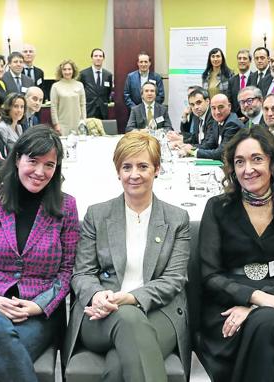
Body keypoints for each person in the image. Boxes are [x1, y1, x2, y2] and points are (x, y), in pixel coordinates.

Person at [65, 131, 191, 380]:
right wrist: (98, 295)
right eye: (127, 167)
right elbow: (82, 273)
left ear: (157, 169)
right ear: (118, 171)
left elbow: (174, 279)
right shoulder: (97, 215)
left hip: (159, 311)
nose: (134, 174)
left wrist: (130, 298)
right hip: (99, 313)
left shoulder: (176, 219)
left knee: (119, 363)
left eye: (143, 166)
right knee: (128, 321)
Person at [0, 126, 79, 381]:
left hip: (37, 313)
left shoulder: (66, 206)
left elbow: (68, 270)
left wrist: (37, 306)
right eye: (33, 161)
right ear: (16, 159)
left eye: (49, 165)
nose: (40, 172)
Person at [199, 126, 274, 382]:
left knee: (267, 322)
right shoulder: (218, 208)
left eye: (257, 159)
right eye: (240, 162)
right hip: (227, 307)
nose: (247, 169)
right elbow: (210, 276)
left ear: (272, 162)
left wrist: (254, 306)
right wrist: (255, 298)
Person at [178, 93, 243, 160]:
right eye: (213, 108)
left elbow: (221, 153)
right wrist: (190, 148)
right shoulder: (216, 121)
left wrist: (193, 152)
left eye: (220, 107)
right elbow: (209, 145)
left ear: (229, 106)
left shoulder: (232, 124)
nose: (217, 112)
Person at [50, 59, 86, 136]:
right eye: (64, 69)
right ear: (61, 71)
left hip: (78, 124)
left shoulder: (79, 85)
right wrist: (56, 124)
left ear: (73, 70)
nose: (67, 72)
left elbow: (83, 105)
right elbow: (53, 107)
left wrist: (83, 121)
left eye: (69, 69)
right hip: (62, 125)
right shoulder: (55, 86)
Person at [79, 48, 113, 119]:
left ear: (103, 58)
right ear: (92, 58)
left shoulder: (108, 75)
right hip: (89, 110)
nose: (98, 58)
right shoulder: (83, 74)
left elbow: (108, 92)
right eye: (96, 56)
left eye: (100, 56)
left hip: (103, 111)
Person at [228, 49, 255, 117]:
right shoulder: (231, 80)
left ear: (250, 61)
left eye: (244, 58)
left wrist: (247, 117)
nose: (241, 61)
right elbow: (229, 101)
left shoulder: (255, 78)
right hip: (235, 119)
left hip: (251, 117)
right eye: (239, 58)